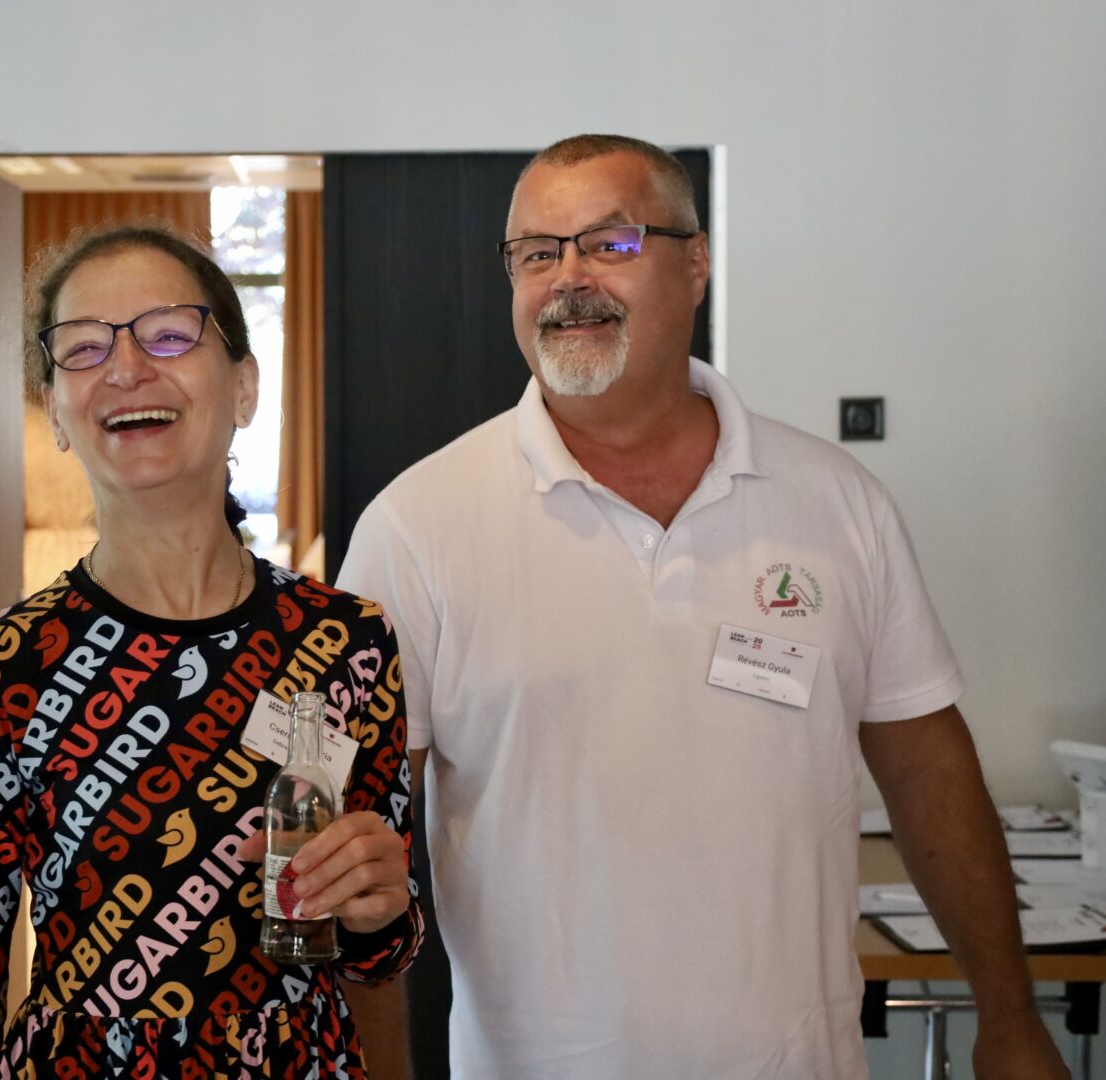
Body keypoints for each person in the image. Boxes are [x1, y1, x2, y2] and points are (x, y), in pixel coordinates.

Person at [338, 135, 1067, 1079]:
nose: (569, 279)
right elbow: (356, 841)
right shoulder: (418, 526)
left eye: (611, 243)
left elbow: (928, 766)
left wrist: (1009, 1016)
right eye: (537, 252)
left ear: (695, 264)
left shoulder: (837, 503)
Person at [0, 224, 422, 1079]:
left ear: (244, 387)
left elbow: (372, 953)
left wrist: (380, 909)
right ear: (55, 409)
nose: (127, 367)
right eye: (84, 347)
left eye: (169, 334)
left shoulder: (347, 639)